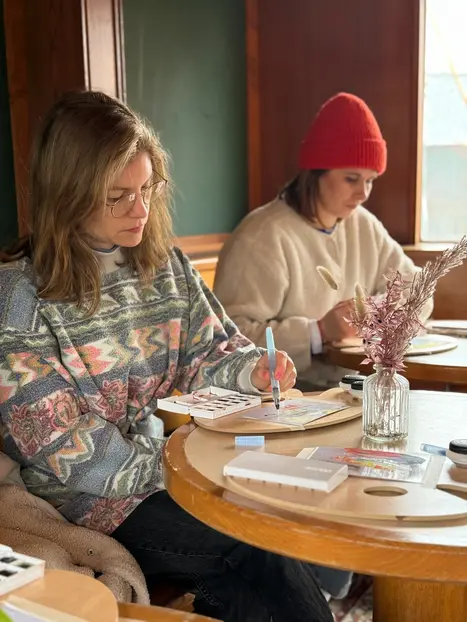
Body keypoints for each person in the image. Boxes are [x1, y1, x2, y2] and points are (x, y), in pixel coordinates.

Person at [0, 91, 337, 622]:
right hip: (81, 499)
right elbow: (63, 445)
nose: (141, 210)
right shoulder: (20, 299)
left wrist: (251, 369)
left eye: (147, 188)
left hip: (165, 474)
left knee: (264, 546)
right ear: (68, 194)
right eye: (118, 196)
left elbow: (211, 349)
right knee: (253, 545)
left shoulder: (166, 267)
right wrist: (179, 470)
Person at [214, 92, 433, 390]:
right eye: (352, 179)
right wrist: (317, 332)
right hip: (290, 399)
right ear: (316, 172)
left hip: (357, 390)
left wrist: (380, 314)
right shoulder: (261, 236)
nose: (363, 194)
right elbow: (227, 340)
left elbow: (420, 290)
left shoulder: (363, 224)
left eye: (370, 181)